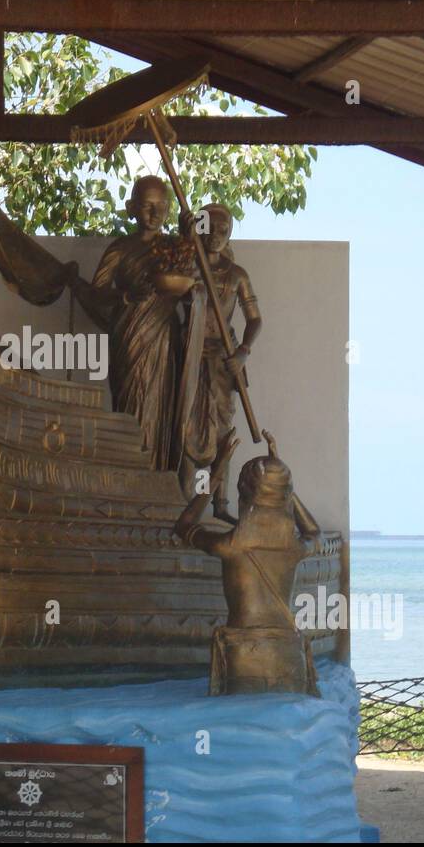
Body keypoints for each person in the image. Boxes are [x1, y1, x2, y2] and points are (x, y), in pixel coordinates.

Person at [174, 433, 321, 696]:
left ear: (243, 493)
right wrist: (283, 483)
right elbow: (314, 533)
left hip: (243, 653)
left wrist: (216, 473)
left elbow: (184, 525)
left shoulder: (230, 546)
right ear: (285, 498)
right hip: (288, 654)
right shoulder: (294, 548)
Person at [77, 176, 197, 470]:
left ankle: (156, 472)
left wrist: (190, 241)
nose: (155, 214)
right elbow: (95, 295)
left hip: (163, 338)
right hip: (130, 338)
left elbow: (192, 288)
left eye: (161, 207)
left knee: (161, 404)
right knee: (132, 402)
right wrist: (126, 296)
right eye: (146, 207)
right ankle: (130, 471)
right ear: (131, 208)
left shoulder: (174, 249)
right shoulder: (120, 249)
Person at [178, 204, 261, 523]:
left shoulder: (237, 275)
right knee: (187, 426)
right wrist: (186, 242)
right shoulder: (188, 267)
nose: (215, 236)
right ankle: (188, 497)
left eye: (223, 230)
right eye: (208, 228)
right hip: (189, 354)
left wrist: (243, 351)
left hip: (224, 360)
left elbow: (255, 320)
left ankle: (221, 503)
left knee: (222, 430)